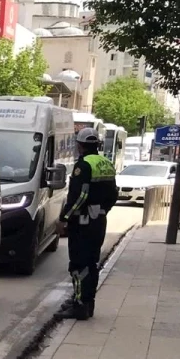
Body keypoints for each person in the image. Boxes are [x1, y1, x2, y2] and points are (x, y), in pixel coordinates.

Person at [58, 128, 116, 320]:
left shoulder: (83, 166)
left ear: (80, 145)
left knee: (78, 264)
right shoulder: (107, 164)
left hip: (83, 222)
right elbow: (114, 194)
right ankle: (86, 301)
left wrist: (65, 218)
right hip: (99, 221)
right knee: (91, 263)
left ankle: (80, 306)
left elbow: (79, 196)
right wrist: (102, 210)